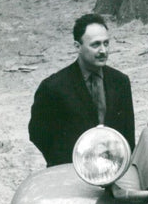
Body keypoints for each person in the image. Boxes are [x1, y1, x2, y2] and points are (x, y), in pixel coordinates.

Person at [28, 13, 135, 167]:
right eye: (95, 44)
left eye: (106, 43)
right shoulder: (53, 87)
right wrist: (69, 162)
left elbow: (127, 134)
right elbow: (38, 134)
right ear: (77, 46)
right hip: (70, 171)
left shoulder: (120, 82)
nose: (103, 50)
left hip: (113, 171)